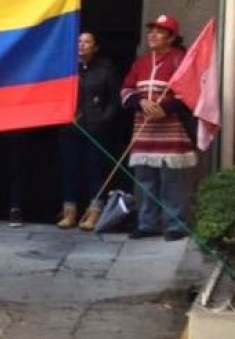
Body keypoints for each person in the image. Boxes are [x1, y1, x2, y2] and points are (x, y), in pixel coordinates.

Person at [121, 14, 196, 242]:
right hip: (144, 131)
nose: (152, 35)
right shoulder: (141, 62)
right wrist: (140, 102)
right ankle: (147, 223)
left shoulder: (181, 60)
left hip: (172, 130)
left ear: (171, 38)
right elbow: (126, 90)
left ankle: (175, 224)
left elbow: (190, 93)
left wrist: (166, 107)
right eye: (151, 31)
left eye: (159, 32)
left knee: (173, 182)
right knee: (145, 181)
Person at [57, 32, 120, 230]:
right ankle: (69, 213)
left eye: (87, 42)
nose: (82, 45)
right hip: (70, 128)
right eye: (79, 41)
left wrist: (103, 119)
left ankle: (93, 213)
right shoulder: (66, 67)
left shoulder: (105, 68)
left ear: (95, 47)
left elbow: (114, 100)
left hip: (96, 129)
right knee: (70, 170)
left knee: (95, 171)